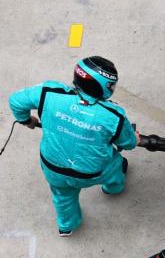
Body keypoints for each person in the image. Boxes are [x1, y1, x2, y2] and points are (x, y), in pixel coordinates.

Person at [7, 57, 139, 236]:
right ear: (103, 86)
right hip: (91, 172)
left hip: (52, 167)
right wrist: (134, 137)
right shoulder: (113, 116)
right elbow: (128, 143)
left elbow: (16, 101)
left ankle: (67, 226)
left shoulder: (48, 92)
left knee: (62, 196)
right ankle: (113, 188)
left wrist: (26, 119)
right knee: (116, 164)